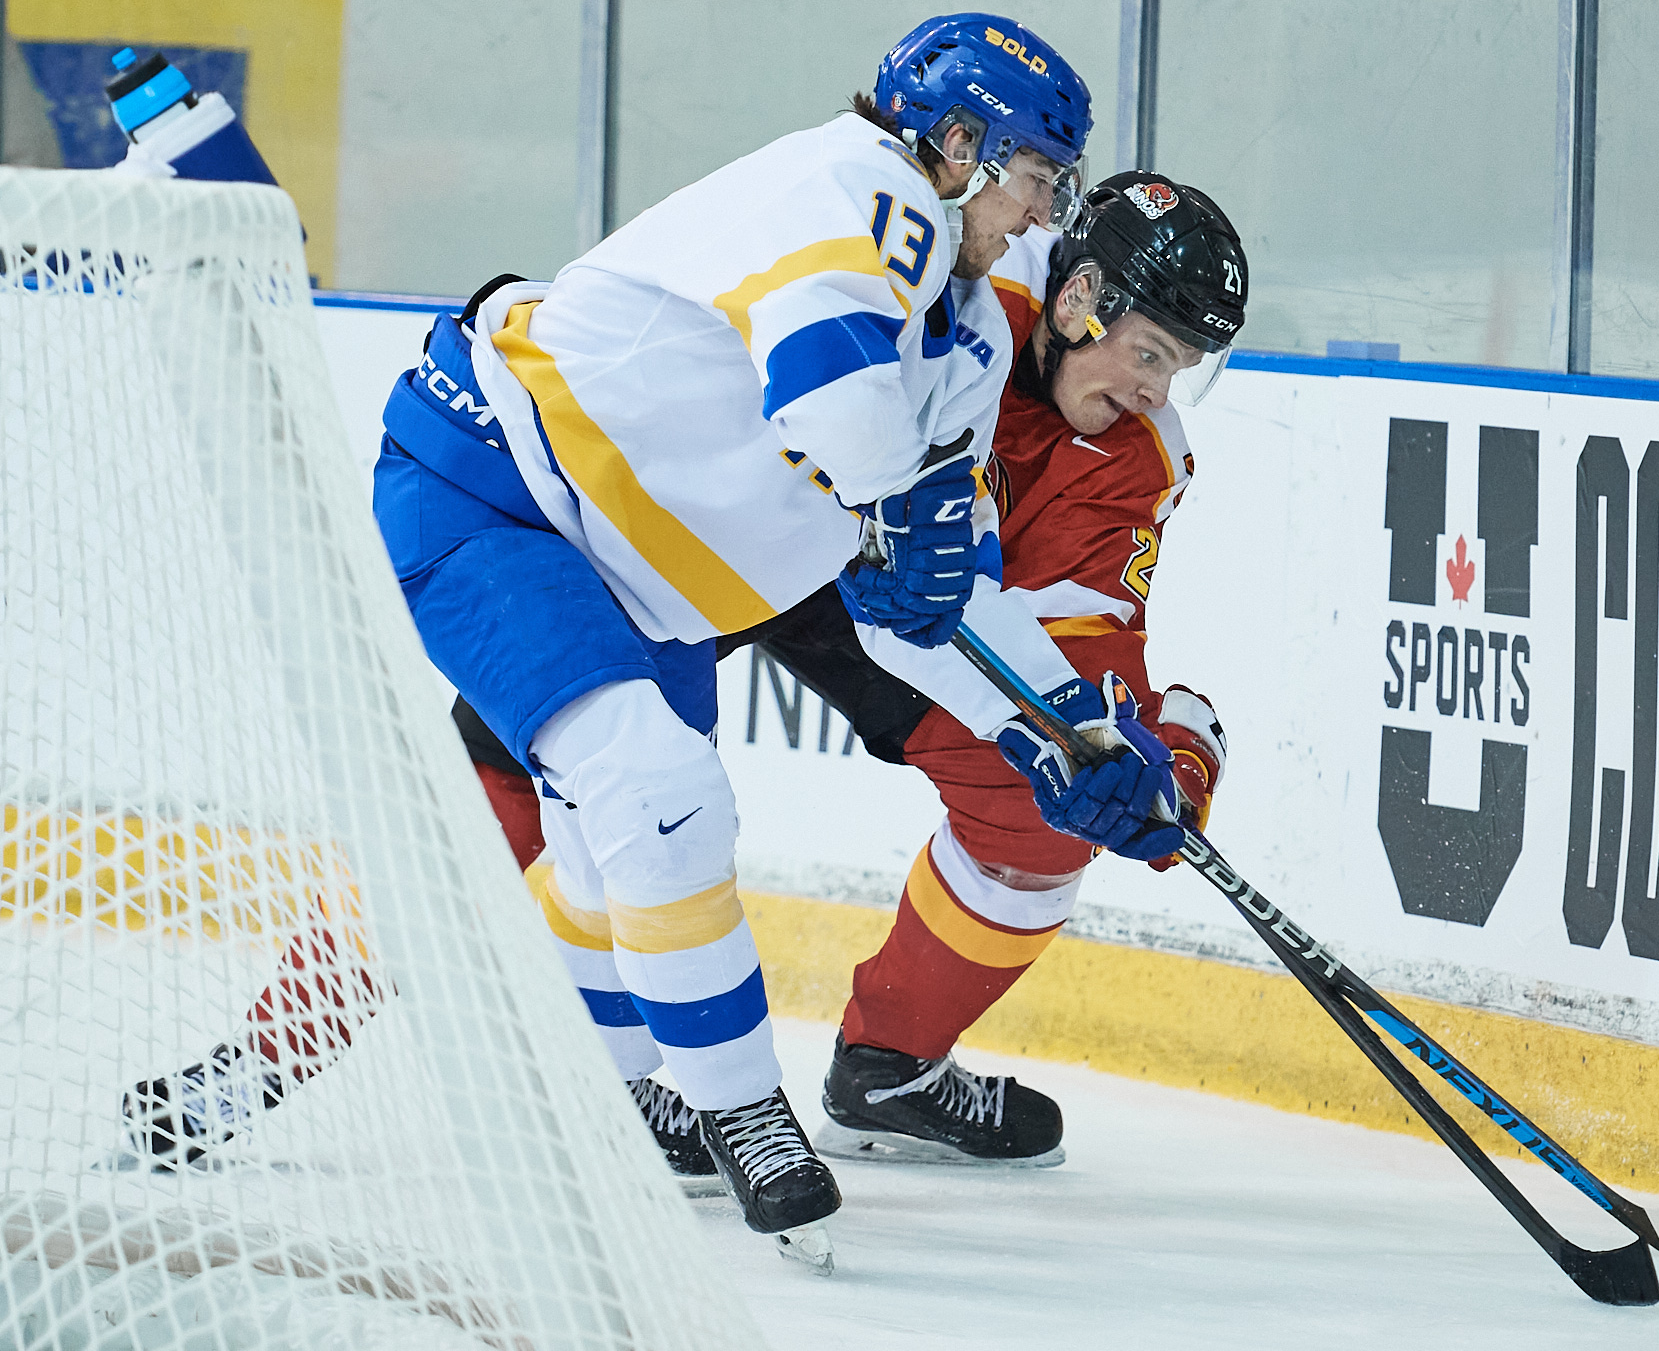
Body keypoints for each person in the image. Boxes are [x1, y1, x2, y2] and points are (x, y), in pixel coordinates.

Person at [118, 16, 1180, 1262]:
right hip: (589, 506)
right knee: (552, 799)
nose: (1043, 210)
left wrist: (1074, 730)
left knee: (630, 826)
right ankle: (293, 1048)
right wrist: (913, 514)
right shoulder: (884, 201)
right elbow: (836, 398)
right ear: (961, 149)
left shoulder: (1010, 349)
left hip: (730, 562)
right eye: (1036, 177)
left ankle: (757, 1079)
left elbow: (976, 595)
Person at [459, 172, 1252, 1171]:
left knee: (1031, 803)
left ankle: (892, 1070)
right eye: (1150, 355)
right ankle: (295, 1023)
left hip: (895, 595)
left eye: (1178, 370)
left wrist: (1156, 759)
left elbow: (1081, 641)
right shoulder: (951, 285)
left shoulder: (1136, 455)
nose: (1153, 391)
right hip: (721, 515)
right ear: (1079, 296)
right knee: (533, 760)